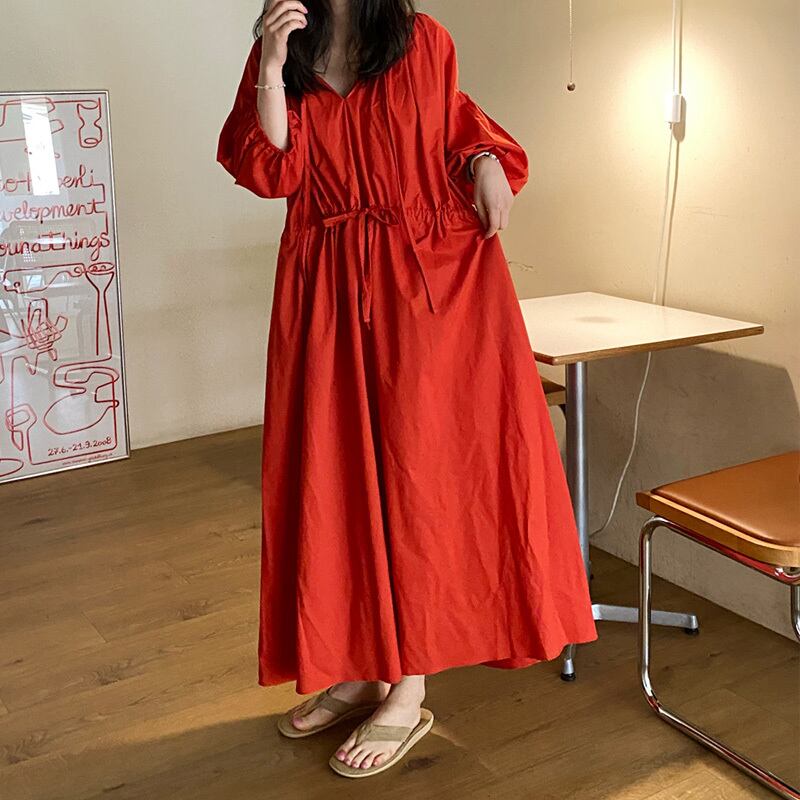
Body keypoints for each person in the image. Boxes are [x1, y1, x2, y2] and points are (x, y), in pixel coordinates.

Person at [217, 0, 597, 779]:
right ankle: (362, 665)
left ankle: (408, 684)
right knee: (336, 481)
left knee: (414, 481)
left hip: (425, 288)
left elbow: (454, 121)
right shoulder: (287, 49)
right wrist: (270, 65)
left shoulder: (423, 41)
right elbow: (271, 170)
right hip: (325, 289)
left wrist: (483, 160)